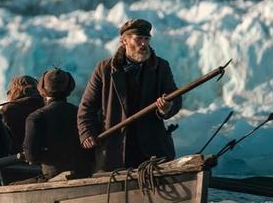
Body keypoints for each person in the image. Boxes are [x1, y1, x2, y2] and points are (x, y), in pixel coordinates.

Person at [77, 18, 181, 171]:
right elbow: (87, 107)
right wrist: (86, 133)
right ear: (124, 41)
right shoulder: (104, 69)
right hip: (115, 151)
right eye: (138, 39)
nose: (144, 44)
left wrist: (167, 108)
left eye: (146, 39)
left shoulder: (161, 67)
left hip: (152, 150)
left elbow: (175, 98)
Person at [23, 68, 93, 179]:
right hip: (84, 174)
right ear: (69, 89)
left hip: (53, 177)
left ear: (42, 90)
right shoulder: (81, 114)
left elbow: (31, 156)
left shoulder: (36, 117)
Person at [0, 75, 45, 154]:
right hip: (48, 158)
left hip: (15, 160)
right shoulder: (46, 106)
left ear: (13, 91)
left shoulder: (6, 111)